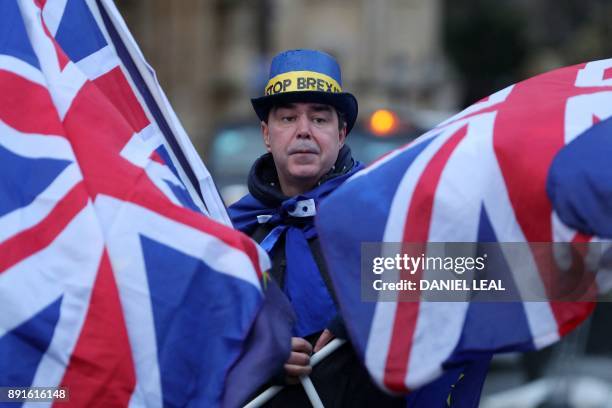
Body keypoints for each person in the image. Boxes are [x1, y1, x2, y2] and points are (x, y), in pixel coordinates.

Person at [229, 49, 489, 407]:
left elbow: (481, 274)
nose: (303, 131)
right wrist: (257, 355)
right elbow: (194, 334)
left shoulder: (388, 210)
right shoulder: (231, 232)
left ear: (342, 132)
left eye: (319, 120)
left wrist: (361, 313)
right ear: (266, 134)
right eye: (287, 118)